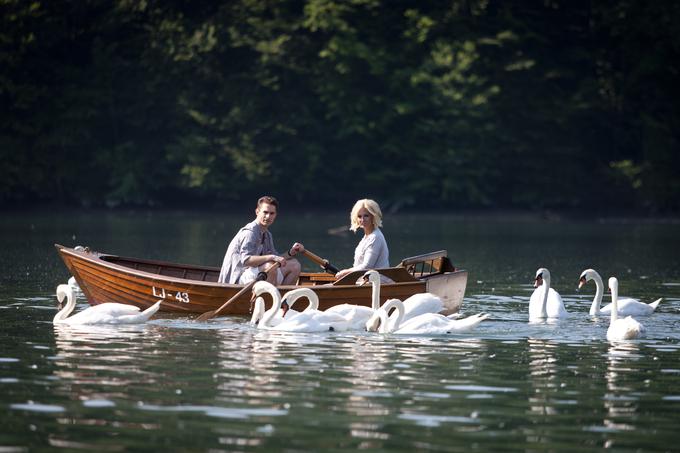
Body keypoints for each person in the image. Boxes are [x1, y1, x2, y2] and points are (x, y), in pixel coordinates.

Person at [218, 196, 304, 286]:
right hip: (237, 279)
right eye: (265, 212)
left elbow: (276, 257)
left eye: (272, 213)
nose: (268, 216)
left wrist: (290, 252)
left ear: (275, 215)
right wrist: (271, 257)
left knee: (295, 265)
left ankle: (283, 298)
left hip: (257, 274)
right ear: (257, 212)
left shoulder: (267, 234)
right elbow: (246, 260)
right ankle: (269, 298)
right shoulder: (249, 233)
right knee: (270, 266)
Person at [335, 199, 390, 280]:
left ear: (373, 216)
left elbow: (367, 266)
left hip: (378, 284)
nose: (362, 219)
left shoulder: (375, 237)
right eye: (359, 216)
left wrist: (346, 272)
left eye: (366, 216)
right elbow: (358, 266)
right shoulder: (366, 238)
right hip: (363, 281)